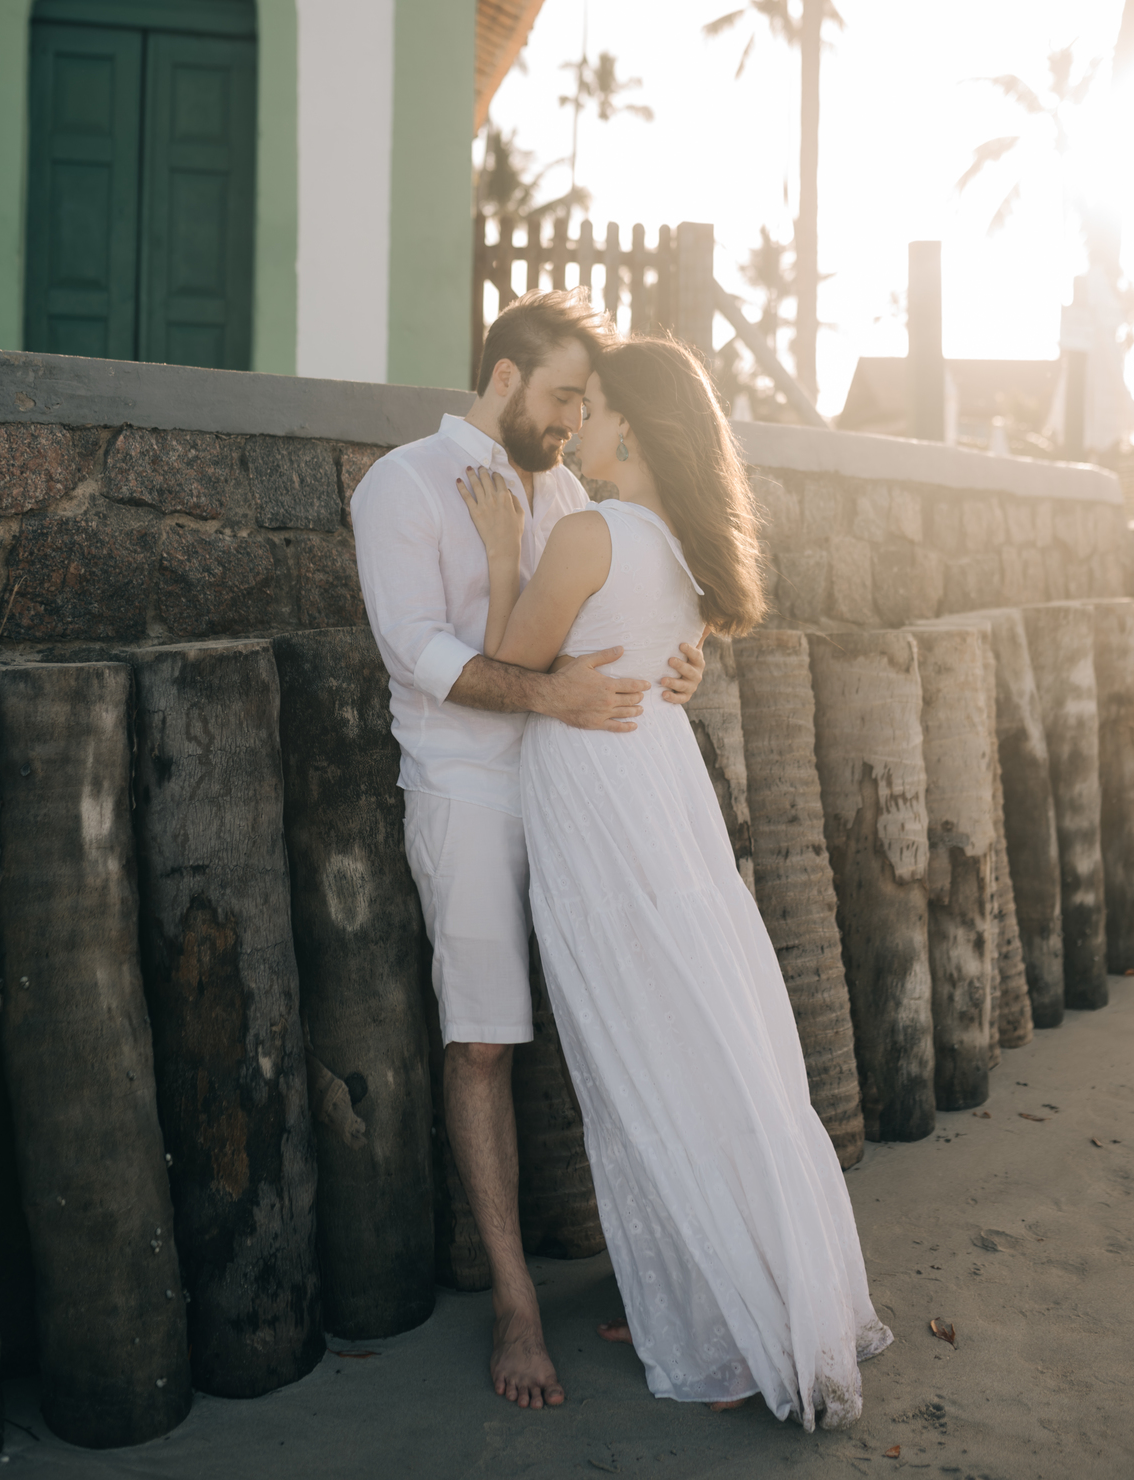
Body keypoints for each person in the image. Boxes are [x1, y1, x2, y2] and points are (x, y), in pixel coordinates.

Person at [457, 335, 892, 1430]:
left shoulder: (589, 534)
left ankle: (729, 1326)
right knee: (691, 1037)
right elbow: (667, 656)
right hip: (656, 800)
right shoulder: (680, 551)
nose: (581, 425)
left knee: (640, 1045)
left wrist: (507, 546)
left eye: (596, 408)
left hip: (602, 811)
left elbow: (507, 662)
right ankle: (705, 1291)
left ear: (636, 434)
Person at [350, 291, 706, 1411]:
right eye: (559, 397)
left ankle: (673, 1279)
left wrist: (682, 662)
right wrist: (551, 689)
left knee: (640, 1015)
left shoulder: (569, 488)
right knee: (487, 1043)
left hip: (585, 788)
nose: (570, 421)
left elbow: (615, 612)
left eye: (582, 406)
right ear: (504, 376)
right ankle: (514, 1305)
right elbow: (423, 656)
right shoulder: (400, 485)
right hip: (466, 795)